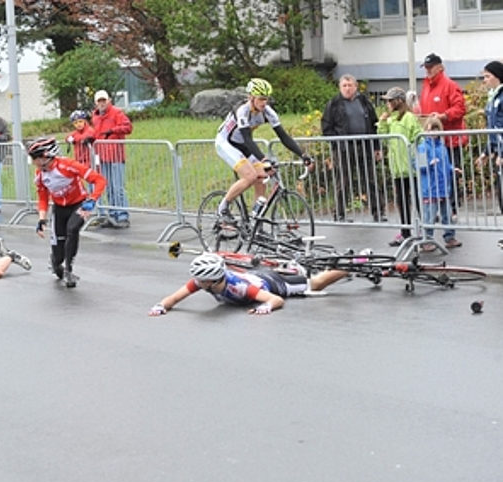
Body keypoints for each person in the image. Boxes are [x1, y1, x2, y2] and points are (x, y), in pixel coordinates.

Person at [215, 78, 315, 225]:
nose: (264, 103)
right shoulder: (242, 111)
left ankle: (256, 223)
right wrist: (263, 159)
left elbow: (283, 136)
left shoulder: (268, 112)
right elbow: (247, 138)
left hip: (243, 145)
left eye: (266, 99)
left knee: (261, 179)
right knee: (250, 176)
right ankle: (222, 208)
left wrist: (303, 155)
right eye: (261, 99)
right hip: (226, 143)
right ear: (251, 98)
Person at [148, 253, 348, 316]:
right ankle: (295, 267)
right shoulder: (202, 282)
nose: (197, 282)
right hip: (256, 274)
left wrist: (266, 307)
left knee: (317, 283)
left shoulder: (238, 287)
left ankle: (355, 264)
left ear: (211, 279)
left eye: (201, 279)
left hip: (273, 283)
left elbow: (275, 299)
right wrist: (161, 306)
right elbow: (174, 298)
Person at [30, 137, 107, 288]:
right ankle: (57, 262)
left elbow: (99, 180)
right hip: (59, 208)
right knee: (58, 254)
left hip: (79, 204)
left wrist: (92, 199)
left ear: (46, 156)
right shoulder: (39, 174)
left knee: (72, 230)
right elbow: (43, 198)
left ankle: (69, 270)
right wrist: (41, 220)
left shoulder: (68, 165)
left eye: (35, 158)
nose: (33, 162)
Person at [321, 74, 385, 222]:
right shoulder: (334, 104)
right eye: (344, 86)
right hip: (344, 148)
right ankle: (340, 213)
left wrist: (376, 147)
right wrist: (337, 143)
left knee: (370, 179)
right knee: (342, 181)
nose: (347, 89)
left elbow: (374, 125)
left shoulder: (364, 102)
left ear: (356, 87)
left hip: (365, 145)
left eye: (350, 85)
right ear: (340, 87)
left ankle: (378, 211)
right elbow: (326, 127)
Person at [417, 53, 468, 218]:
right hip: (432, 140)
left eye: (430, 67)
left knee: (449, 174)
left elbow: (460, 109)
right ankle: (436, 209)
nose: (427, 71)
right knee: (432, 173)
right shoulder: (426, 87)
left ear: (440, 67)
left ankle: (451, 208)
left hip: (449, 140)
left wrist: (442, 116)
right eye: (426, 68)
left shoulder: (450, 85)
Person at [377, 87, 422, 247]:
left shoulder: (409, 117)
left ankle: (423, 232)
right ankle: (405, 232)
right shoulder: (391, 119)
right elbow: (383, 138)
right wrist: (382, 122)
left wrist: (418, 159)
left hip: (411, 167)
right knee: (402, 201)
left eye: (390, 100)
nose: (388, 104)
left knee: (417, 200)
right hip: (397, 168)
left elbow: (418, 137)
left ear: (398, 101)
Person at [416, 117, 461, 252]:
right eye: (431, 130)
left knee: (447, 214)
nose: (434, 133)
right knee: (429, 216)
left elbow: (446, 165)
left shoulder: (442, 147)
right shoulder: (422, 147)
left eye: (436, 129)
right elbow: (419, 166)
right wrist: (429, 164)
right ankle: (426, 239)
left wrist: (452, 169)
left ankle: (449, 237)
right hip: (430, 188)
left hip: (443, 188)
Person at [91, 90, 133, 228]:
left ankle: (122, 215)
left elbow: (128, 127)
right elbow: (96, 134)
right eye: (99, 101)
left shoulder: (117, 112)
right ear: (96, 103)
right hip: (102, 156)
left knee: (118, 187)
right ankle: (113, 213)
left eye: (104, 100)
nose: (102, 103)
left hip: (115, 155)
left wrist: (114, 130)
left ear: (109, 100)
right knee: (108, 187)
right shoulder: (95, 117)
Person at [475, 60, 503, 249]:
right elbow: (493, 129)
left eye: (487, 76)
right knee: (501, 195)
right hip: (497, 152)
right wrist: (487, 151)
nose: (485, 80)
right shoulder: (494, 97)